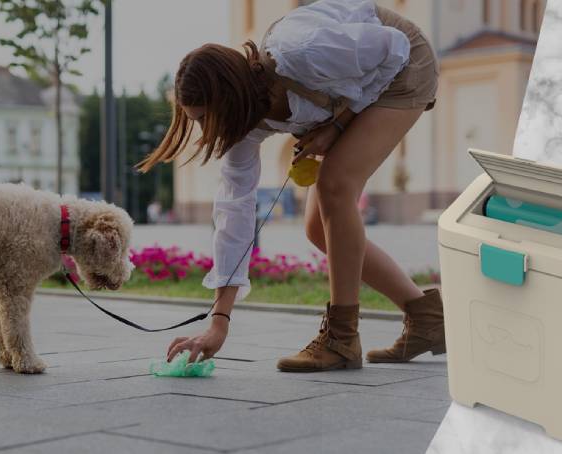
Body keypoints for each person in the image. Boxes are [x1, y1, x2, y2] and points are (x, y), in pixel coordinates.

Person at [138, 0, 445, 372]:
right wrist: (218, 323)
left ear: (228, 98)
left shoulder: (300, 52)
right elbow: (234, 213)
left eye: (205, 118)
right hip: (363, 78)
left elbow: (392, 47)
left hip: (403, 61)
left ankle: (341, 338)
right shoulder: (245, 124)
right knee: (318, 228)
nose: (206, 131)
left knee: (335, 185)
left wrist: (337, 126)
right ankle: (427, 317)